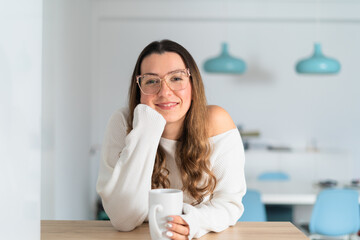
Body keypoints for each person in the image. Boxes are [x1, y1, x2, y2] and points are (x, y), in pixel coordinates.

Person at [96, 39, 246, 240]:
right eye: (151, 81)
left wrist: (192, 223)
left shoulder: (216, 121)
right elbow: (124, 219)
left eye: (176, 78)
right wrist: (147, 127)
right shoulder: (123, 122)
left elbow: (229, 204)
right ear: (139, 88)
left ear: (193, 85)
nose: (165, 92)